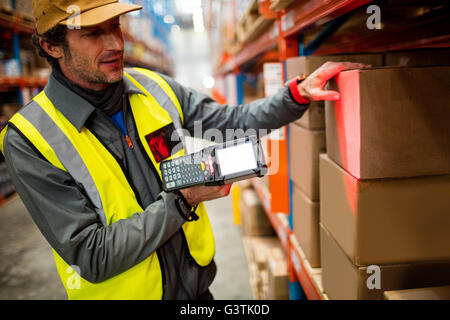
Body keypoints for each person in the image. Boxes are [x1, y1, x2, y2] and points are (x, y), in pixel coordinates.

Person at [0, 0, 368, 300]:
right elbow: (91, 254)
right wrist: (183, 199)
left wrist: (296, 95)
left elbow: (230, 120)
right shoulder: (30, 139)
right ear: (51, 45)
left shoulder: (153, 88)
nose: (115, 44)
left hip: (196, 293)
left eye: (114, 26)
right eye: (93, 33)